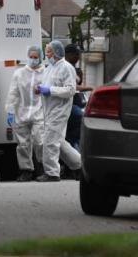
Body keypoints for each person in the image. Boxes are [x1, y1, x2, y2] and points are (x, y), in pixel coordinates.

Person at [34, 40, 82, 182]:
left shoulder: (66, 68)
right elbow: (46, 85)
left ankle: (52, 173)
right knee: (58, 142)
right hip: (49, 110)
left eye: (48, 51)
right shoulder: (49, 68)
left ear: (55, 52)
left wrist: (50, 90)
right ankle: (80, 165)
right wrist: (39, 88)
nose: (46, 54)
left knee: (50, 141)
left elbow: (70, 90)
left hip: (60, 110)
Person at [5, 45, 45, 182]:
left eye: (36, 57)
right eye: (31, 57)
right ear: (27, 57)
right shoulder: (19, 73)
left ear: (41, 57)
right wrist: (10, 110)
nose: (33, 60)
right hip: (21, 112)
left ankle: (43, 168)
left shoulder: (45, 73)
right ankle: (26, 170)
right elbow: (13, 93)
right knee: (22, 144)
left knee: (40, 141)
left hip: (40, 112)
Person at [63, 44, 93, 151]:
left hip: (77, 104)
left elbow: (77, 84)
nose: (78, 57)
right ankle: (72, 147)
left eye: (79, 54)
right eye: (76, 54)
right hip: (67, 106)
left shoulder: (77, 70)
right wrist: (91, 87)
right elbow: (74, 87)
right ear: (67, 55)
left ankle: (76, 148)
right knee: (80, 118)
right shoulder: (62, 68)